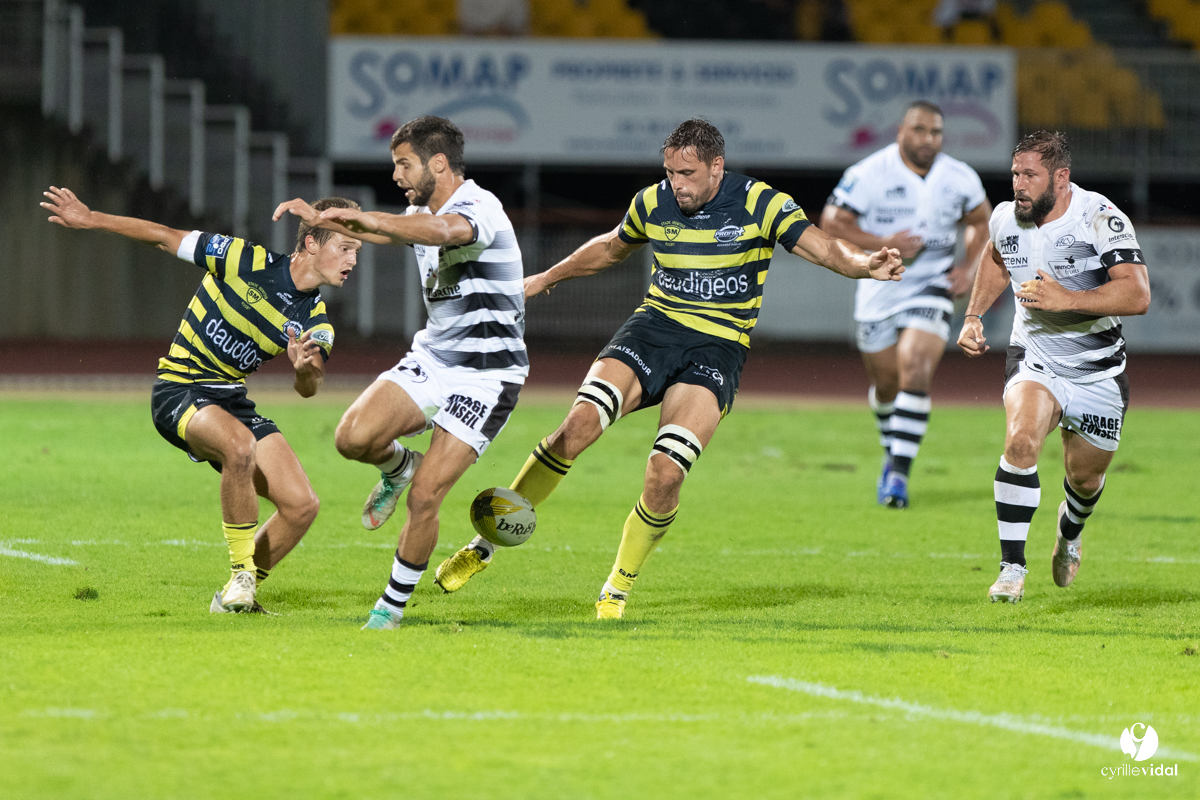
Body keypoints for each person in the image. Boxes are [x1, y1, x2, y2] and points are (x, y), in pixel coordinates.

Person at [433, 118, 904, 619]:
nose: (677, 184)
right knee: (576, 427)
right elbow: (612, 246)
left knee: (665, 473)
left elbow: (823, 246)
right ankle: (483, 548)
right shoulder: (653, 202)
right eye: (670, 172)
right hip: (653, 331)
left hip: (718, 347)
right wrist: (546, 277)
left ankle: (617, 585)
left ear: (716, 167)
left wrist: (863, 264)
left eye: (687, 173)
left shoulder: (761, 202)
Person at [41, 186, 360, 613]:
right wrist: (91, 216)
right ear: (309, 243)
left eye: (356, 250)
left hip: (230, 399)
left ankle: (234, 595)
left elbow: (309, 384)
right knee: (240, 447)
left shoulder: (316, 319)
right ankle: (243, 573)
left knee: (302, 506)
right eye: (344, 248)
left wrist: (305, 370)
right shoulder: (243, 258)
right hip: (179, 387)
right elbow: (163, 235)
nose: (353, 261)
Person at [275, 116, 527, 630]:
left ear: (439, 164)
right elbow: (392, 228)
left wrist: (366, 218)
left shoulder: (479, 206)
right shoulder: (416, 211)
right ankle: (398, 466)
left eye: (403, 164)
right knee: (352, 437)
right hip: (436, 356)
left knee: (427, 495)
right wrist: (324, 221)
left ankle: (388, 611)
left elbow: (440, 232)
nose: (396, 175)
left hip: (487, 374)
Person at [956, 131, 1150, 603]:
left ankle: (1070, 530)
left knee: (1085, 481)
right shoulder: (1006, 218)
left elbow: (1138, 293)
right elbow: (996, 259)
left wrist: (1069, 299)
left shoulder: (1099, 218)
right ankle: (1011, 569)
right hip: (1036, 356)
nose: (1019, 185)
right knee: (1021, 440)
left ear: (1060, 178)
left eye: (1030, 175)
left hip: (1099, 368)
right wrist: (974, 315)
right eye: (1015, 174)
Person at [821, 100, 991, 509]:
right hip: (879, 284)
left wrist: (969, 268)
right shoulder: (867, 173)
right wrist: (884, 242)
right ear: (901, 130)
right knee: (886, 385)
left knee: (915, 366)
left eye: (935, 132)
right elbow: (832, 223)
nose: (928, 139)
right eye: (920, 130)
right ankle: (893, 448)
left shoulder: (959, 176)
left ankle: (897, 473)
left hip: (931, 284)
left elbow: (981, 222)